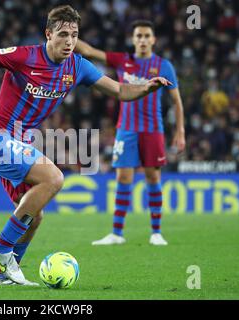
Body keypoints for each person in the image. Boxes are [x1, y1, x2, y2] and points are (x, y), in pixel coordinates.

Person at [0, 6, 171, 286]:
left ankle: (5, 273)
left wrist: (146, 88)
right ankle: (2, 246)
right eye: (63, 34)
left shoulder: (77, 66)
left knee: (35, 214)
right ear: (48, 34)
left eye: (74, 35)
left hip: (19, 143)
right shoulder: (26, 56)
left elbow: (119, 90)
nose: (69, 41)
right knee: (54, 178)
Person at [75, 20, 186, 246]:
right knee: (123, 178)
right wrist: (64, 35)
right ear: (133, 39)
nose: (143, 40)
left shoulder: (163, 65)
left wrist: (180, 130)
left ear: (153, 40)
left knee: (153, 178)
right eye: (139, 36)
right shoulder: (122, 61)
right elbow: (87, 51)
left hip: (153, 129)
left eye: (147, 36)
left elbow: (176, 100)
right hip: (126, 129)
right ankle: (117, 233)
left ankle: (156, 232)